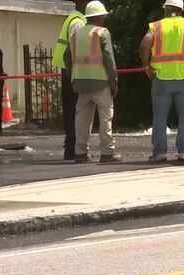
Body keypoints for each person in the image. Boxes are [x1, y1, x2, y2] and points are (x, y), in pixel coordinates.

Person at [139, 0, 184, 162]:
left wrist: (146, 67)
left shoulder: (156, 27)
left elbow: (144, 45)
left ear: (166, 9)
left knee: (160, 116)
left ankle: (159, 152)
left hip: (161, 79)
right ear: (182, 10)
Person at [70, 1, 122, 163]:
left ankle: (80, 152)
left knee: (82, 118)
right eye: (104, 16)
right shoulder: (102, 32)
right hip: (100, 81)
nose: (105, 18)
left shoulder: (76, 34)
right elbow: (109, 60)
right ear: (98, 17)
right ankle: (107, 152)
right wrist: (114, 82)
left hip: (80, 81)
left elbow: (67, 57)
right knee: (105, 117)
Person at [52, 0, 89, 160]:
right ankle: (72, 149)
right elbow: (76, 51)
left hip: (67, 70)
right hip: (72, 71)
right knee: (75, 111)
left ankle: (70, 148)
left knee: (71, 111)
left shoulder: (73, 18)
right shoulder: (78, 22)